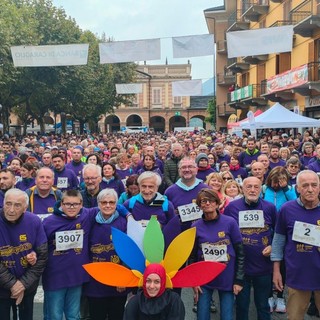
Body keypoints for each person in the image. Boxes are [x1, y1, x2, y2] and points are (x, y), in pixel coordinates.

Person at [224, 177, 276, 320]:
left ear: (261, 189)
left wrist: (273, 246)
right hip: (241, 268)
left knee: (263, 305)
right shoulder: (231, 208)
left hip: (263, 266)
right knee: (241, 306)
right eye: (249, 187)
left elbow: (278, 232)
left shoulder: (270, 207)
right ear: (243, 189)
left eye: (256, 187)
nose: (252, 190)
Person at [271, 170, 320, 320]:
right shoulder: (287, 209)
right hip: (297, 276)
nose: (310, 189)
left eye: (314, 185)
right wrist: (276, 271)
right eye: (305, 185)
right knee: (294, 317)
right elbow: (278, 242)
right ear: (297, 188)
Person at [42, 190, 97, 320]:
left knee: (73, 315)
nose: (71, 207)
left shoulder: (86, 215)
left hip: (76, 277)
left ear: (81, 204)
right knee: (54, 316)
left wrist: (128, 214)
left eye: (75, 204)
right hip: (55, 277)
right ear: (61, 203)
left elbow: (112, 204)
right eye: (68, 204)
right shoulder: (48, 222)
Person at [192, 188, 244, 320]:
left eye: (211, 201)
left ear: (217, 203)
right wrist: (194, 281)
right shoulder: (195, 226)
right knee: (202, 316)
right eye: (203, 201)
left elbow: (240, 252)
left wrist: (238, 280)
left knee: (227, 317)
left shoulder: (230, 222)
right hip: (204, 279)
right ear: (199, 205)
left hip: (227, 278)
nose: (207, 204)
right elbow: (192, 256)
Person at [0, 188, 48, 320]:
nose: (11, 209)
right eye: (8, 204)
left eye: (17, 205)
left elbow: (42, 256)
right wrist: (13, 284)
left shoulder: (34, 221)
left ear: (25, 208)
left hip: (27, 286)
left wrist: (22, 285)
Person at [83, 189, 128, 320]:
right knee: (97, 315)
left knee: (116, 316)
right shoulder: (90, 221)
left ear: (116, 204)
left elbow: (129, 251)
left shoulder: (123, 222)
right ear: (98, 204)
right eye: (104, 202)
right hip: (95, 281)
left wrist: (123, 277)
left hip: (117, 281)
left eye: (111, 202)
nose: (108, 205)